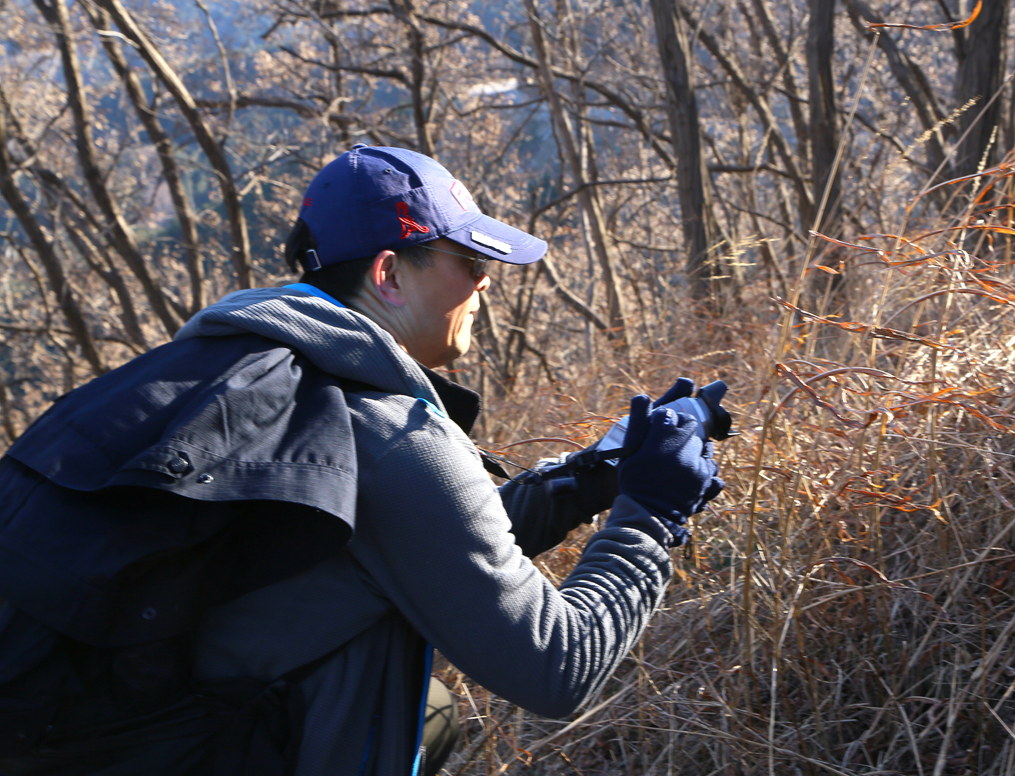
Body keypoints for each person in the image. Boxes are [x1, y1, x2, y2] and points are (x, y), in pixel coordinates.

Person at [0, 145, 723, 775]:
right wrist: (653, 514)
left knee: (431, 712)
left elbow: (417, 541)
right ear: (389, 274)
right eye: (469, 260)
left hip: (119, 744)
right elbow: (555, 665)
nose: (486, 284)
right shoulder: (386, 432)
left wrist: (596, 474)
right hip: (239, 749)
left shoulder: (216, 380)